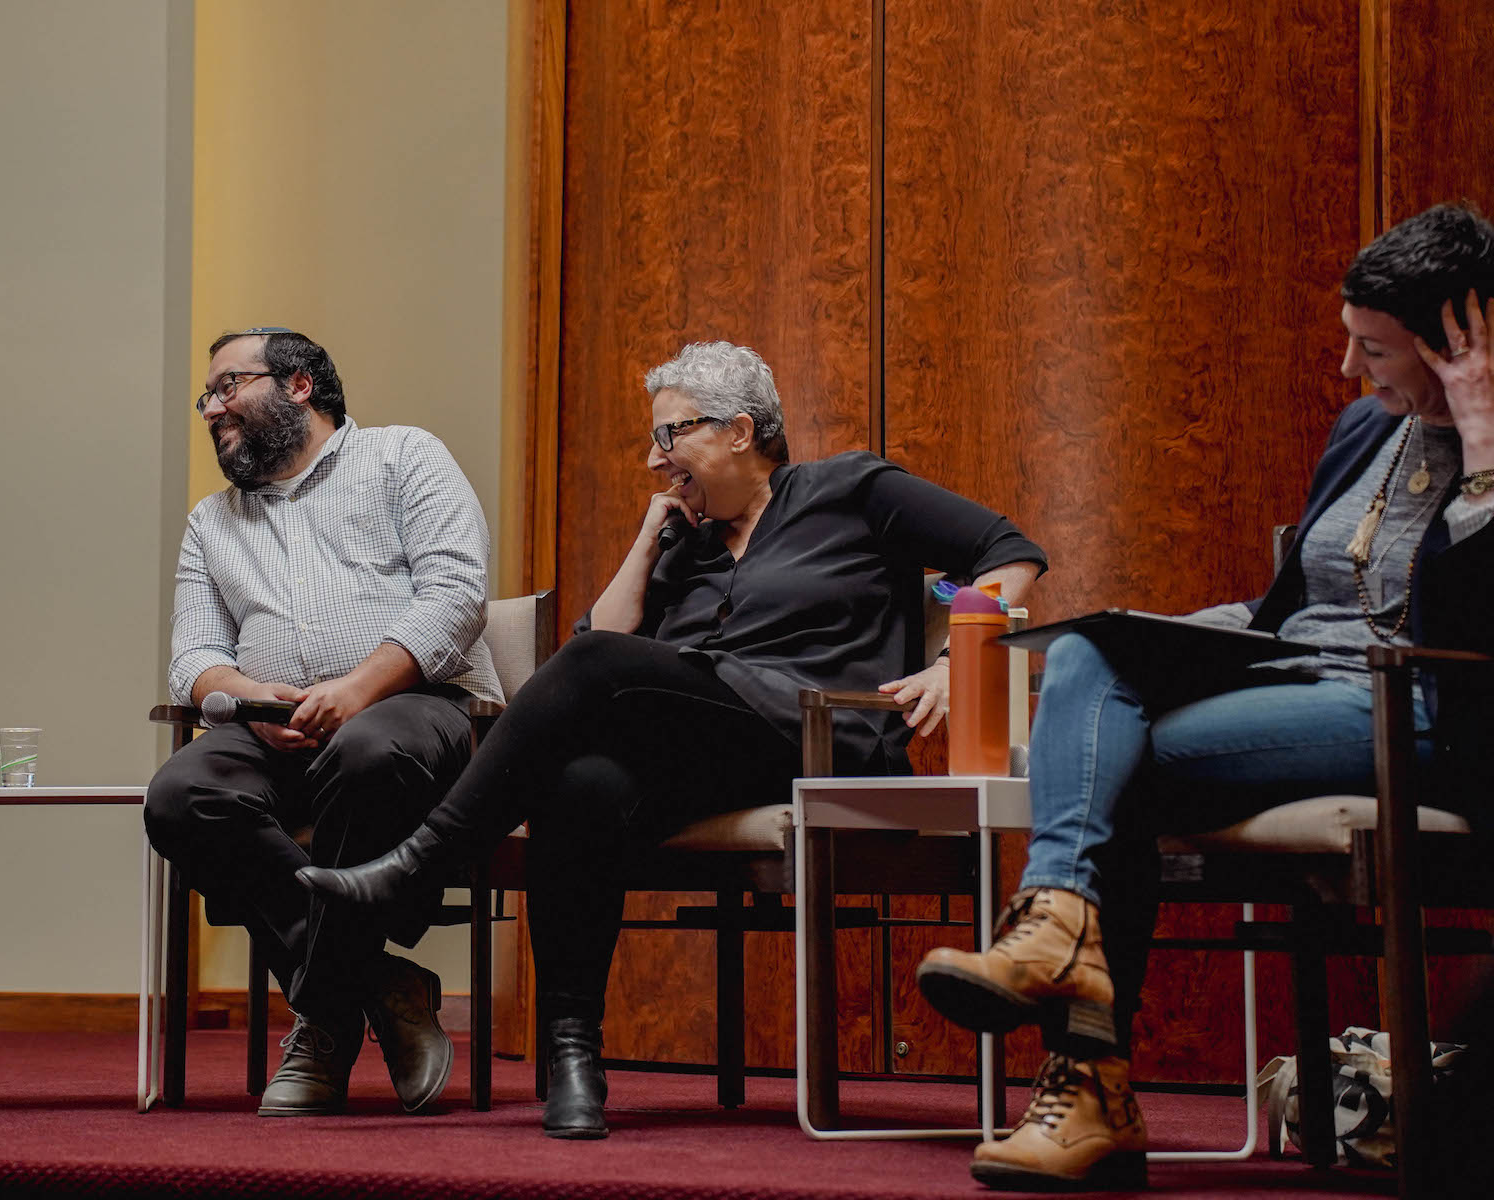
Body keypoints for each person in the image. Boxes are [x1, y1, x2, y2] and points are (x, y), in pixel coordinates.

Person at [300, 340, 1047, 1138]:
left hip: (818, 737)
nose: (656, 459)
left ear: (740, 430)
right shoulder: (686, 541)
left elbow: (1010, 551)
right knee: (581, 783)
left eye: (672, 435)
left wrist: (950, 663)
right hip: (703, 749)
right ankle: (575, 1060)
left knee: (590, 675)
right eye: (655, 440)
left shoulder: (852, 489)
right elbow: (606, 636)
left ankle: (421, 862)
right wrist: (651, 535)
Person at [913, 202, 1494, 1191]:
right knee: (1094, 654)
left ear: (1454, 343)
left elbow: (1475, 629)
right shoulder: (1365, 428)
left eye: (1377, 353)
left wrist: (1482, 444)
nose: (1352, 373)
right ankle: (1060, 927)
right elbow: (1297, 602)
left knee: (1108, 779)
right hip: (1295, 676)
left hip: (1412, 708)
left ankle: (1085, 1075)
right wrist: (1171, 632)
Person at [143, 326, 502, 1117]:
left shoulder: (403, 457)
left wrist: (357, 690)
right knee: (180, 793)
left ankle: (321, 1024)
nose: (211, 408)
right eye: (207, 396)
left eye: (228, 386)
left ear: (299, 385)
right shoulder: (213, 522)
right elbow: (193, 658)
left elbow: (457, 594)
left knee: (366, 752)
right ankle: (374, 986)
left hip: (417, 709)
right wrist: (248, 697)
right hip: (272, 726)